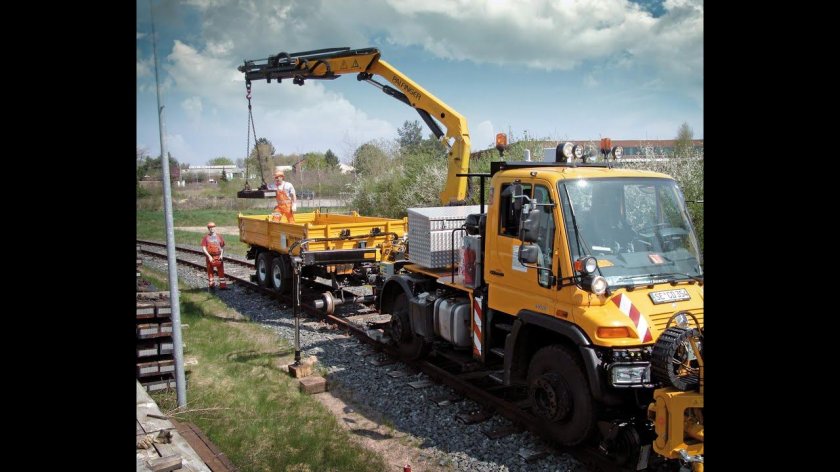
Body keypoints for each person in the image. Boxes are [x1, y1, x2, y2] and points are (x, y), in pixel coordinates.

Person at [201, 222, 227, 289]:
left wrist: (221, 255)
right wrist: (209, 256)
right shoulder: (206, 238)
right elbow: (203, 247)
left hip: (218, 256)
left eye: (213, 227)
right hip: (210, 257)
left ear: (215, 228)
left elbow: (222, 246)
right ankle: (211, 284)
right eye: (210, 227)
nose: (212, 229)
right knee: (210, 271)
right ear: (208, 229)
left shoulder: (219, 237)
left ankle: (223, 285)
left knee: (221, 271)